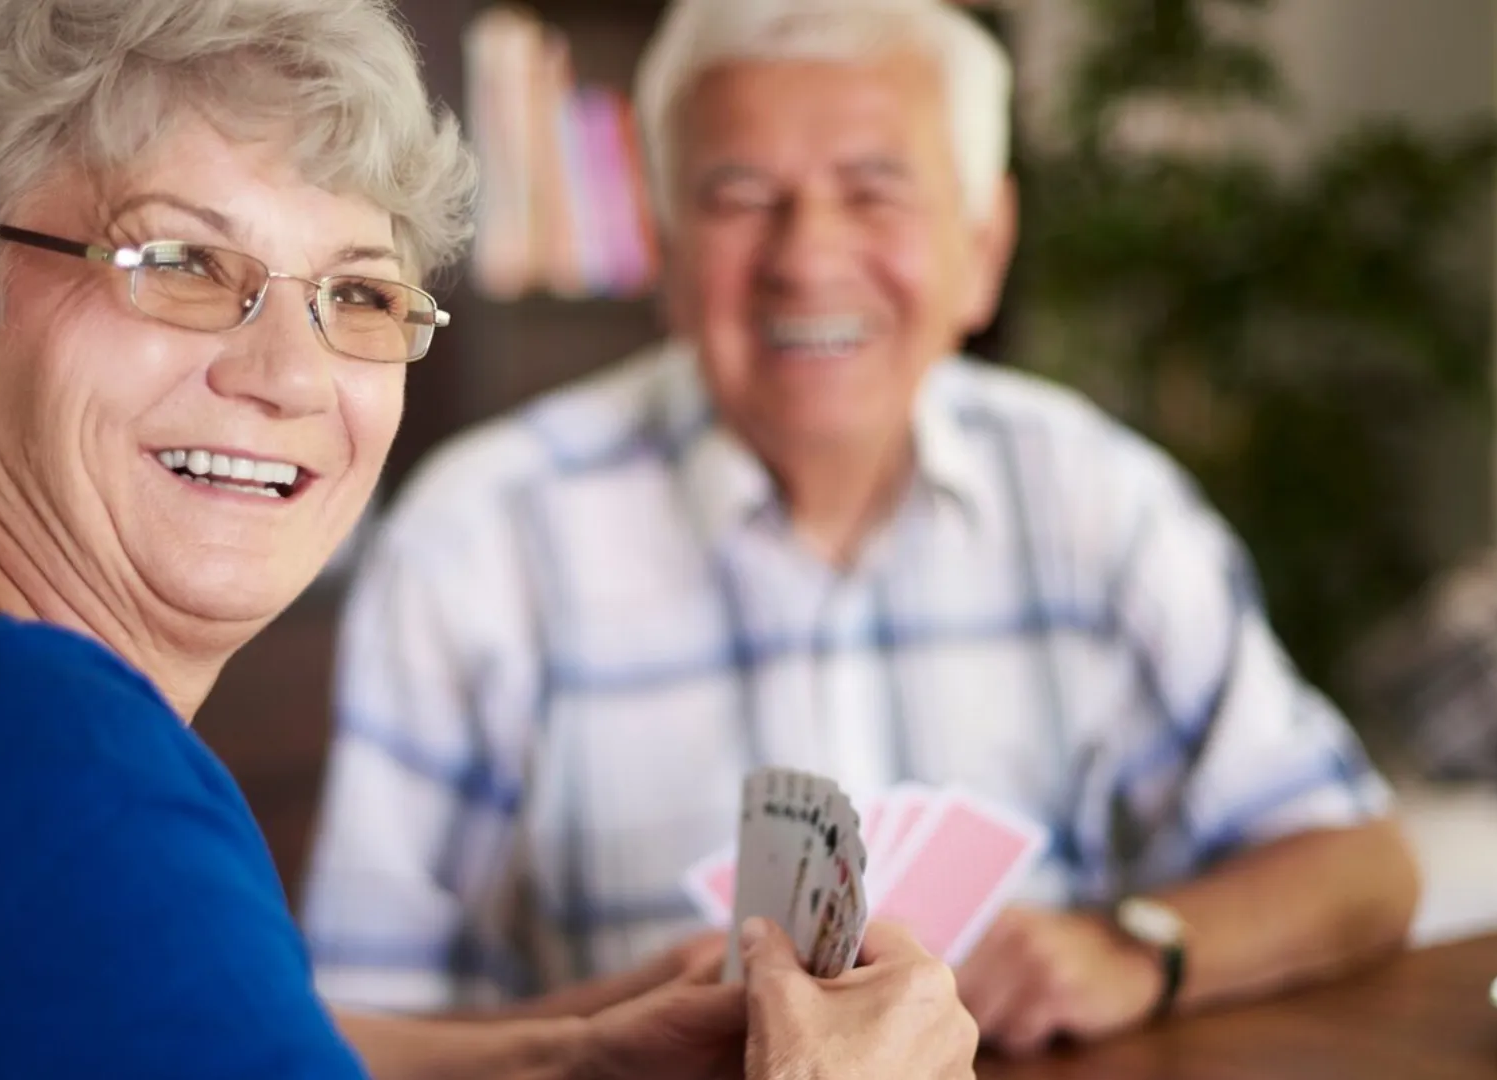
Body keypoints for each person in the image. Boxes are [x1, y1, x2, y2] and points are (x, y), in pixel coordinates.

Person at [0, 1, 979, 1077]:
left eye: (360, 294)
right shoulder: (29, 743)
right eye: (184, 261)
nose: (291, 377)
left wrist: (564, 1054)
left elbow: (179, 1021)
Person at [300, 0, 1423, 1057]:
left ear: (983, 248)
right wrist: (613, 1034)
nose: (809, 258)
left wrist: (1137, 946)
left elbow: (1364, 864)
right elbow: (343, 1031)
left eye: (875, 191)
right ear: (669, 252)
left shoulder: (1099, 497)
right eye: (743, 196)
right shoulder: (475, 537)